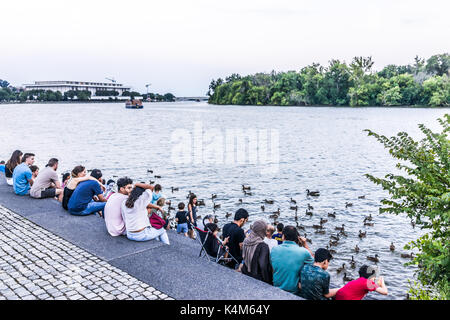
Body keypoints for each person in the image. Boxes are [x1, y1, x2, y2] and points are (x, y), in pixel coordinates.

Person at [270, 225, 314, 294]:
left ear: (283, 236)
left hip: (276, 287)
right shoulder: (303, 252)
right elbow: (316, 263)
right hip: (294, 291)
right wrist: (305, 245)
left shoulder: (274, 249)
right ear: (297, 237)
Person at [241, 220, 273, 285]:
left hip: (245, 271)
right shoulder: (263, 246)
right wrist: (268, 282)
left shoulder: (246, 240)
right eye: (265, 230)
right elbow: (263, 266)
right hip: (256, 277)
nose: (266, 232)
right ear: (262, 231)